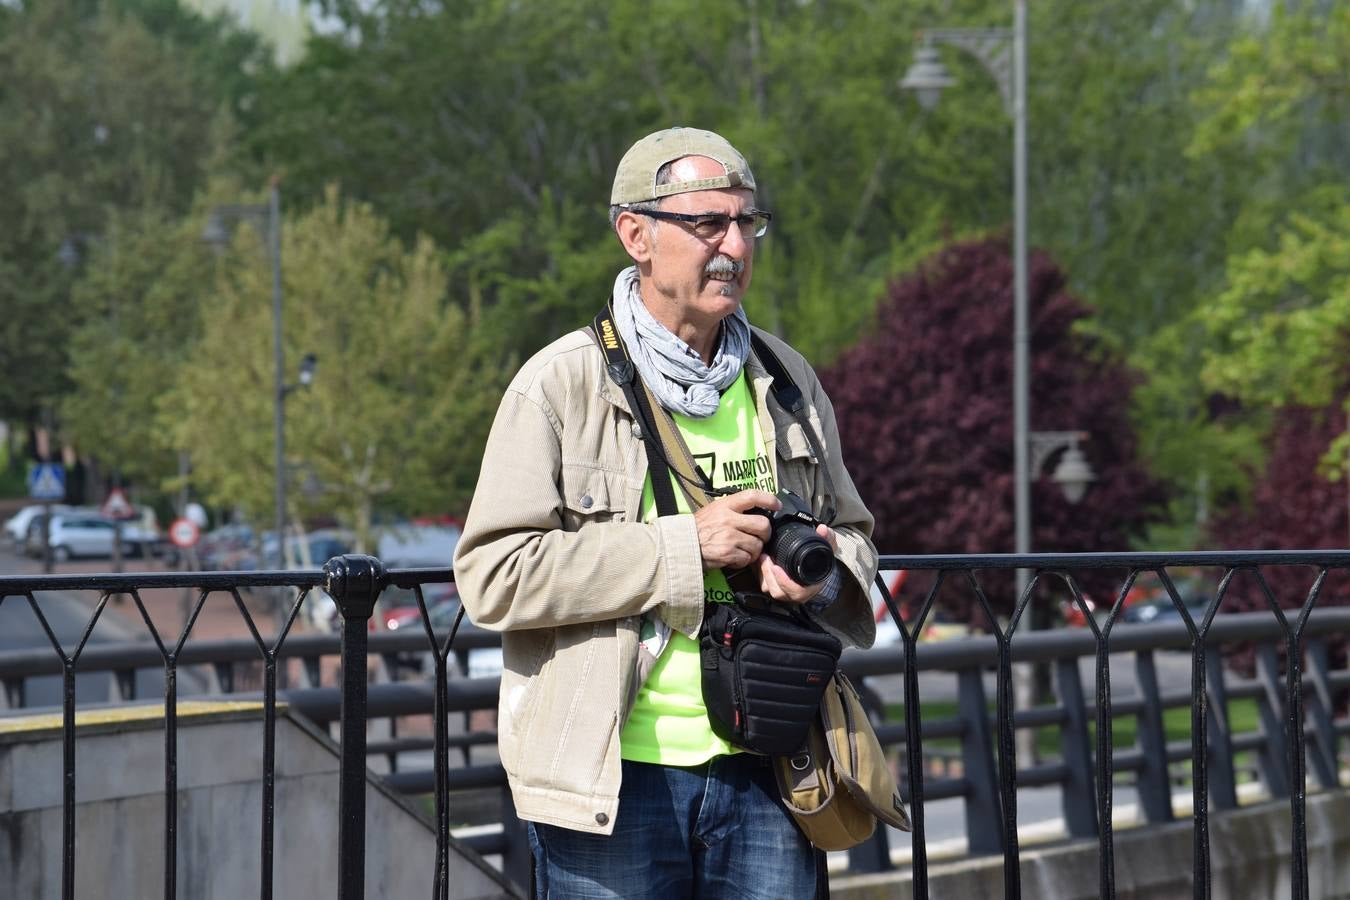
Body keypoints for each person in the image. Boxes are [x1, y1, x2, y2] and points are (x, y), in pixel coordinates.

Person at [453, 126, 878, 899]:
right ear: (635, 235)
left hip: (771, 765)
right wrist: (684, 549)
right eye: (707, 223)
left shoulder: (787, 380)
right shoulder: (561, 385)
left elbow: (854, 535)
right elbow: (493, 575)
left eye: (747, 222)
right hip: (615, 782)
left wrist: (819, 579)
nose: (735, 246)